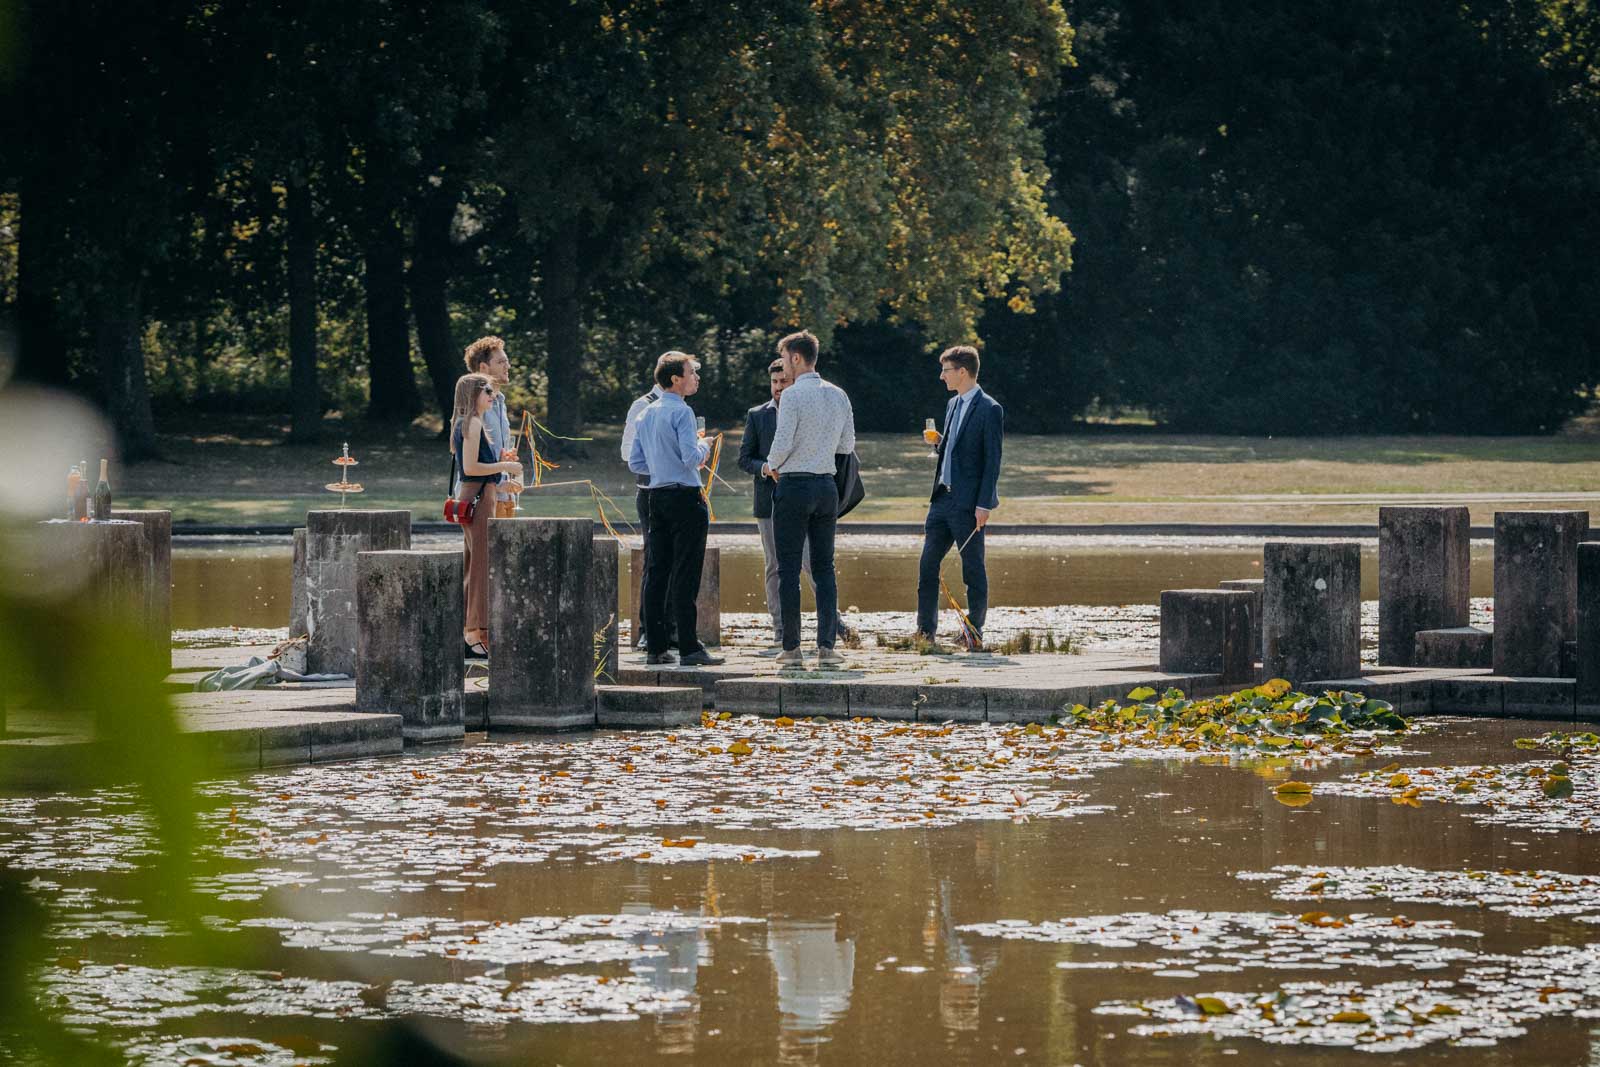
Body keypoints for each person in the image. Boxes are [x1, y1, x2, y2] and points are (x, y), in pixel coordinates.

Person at [739, 357, 851, 656]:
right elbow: (745, 459)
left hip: (796, 489)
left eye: (783, 379)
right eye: (774, 381)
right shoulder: (758, 414)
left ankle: (812, 636)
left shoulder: (800, 400)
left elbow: (788, 444)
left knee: (805, 566)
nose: (779, 386)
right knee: (786, 566)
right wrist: (767, 468)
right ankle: (791, 633)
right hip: (786, 496)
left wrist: (779, 463)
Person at [765, 330, 855, 668]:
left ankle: (791, 648)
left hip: (794, 486)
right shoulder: (838, 394)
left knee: (788, 568)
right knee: (824, 567)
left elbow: (783, 442)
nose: (783, 366)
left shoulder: (792, 396)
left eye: (784, 359)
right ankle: (827, 647)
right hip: (826, 487)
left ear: (796, 358)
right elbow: (847, 444)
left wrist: (770, 466)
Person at [628, 352, 724, 666]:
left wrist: (660, 466)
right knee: (686, 572)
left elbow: (635, 462)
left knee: (657, 571)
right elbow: (690, 458)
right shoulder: (682, 411)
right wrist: (704, 445)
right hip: (685, 496)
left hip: (655, 496)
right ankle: (689, 647)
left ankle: (655, 647)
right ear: (675, 379)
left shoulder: (646, 413)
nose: (696, 378)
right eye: (691, 373)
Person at [916, 345, 1003, 649]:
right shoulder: (952, 404)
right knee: (927, 566)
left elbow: (992, 461)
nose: (942, 376)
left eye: (946, 370)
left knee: (972, 569)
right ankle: (925, 633)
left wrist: (984, 504)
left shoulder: (990, 409)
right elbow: (954, 450)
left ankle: (973, 632)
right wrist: (939, 442)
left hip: (968, 505)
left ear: (962, 372)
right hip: (941, 500)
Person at [450, 373, 523, 658]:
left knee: (476, 563)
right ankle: (477, 633)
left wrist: (500, 482)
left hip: (481, 494)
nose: (493, 396)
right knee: (481, 565)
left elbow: (477, 470)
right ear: (473, 395)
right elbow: (470, 468)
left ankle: (472, 631)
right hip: (478, 499)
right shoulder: (472, 422)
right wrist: (505, 466)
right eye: (487, 391)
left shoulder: (469, 422)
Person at [621, 354, 672, 649]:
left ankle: (672, 628)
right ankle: (647, 630)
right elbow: (627, 452)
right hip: (651, 492)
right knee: (654, 558)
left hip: (678, 492)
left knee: (678, 560)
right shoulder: (643, 405)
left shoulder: (680, 407)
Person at [464, 336, 517, 519]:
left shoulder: (500, 402)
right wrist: (503, 466)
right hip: (483, 498)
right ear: (483, 367)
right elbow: (468, 463)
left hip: (504, 496)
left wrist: (505, 460)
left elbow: (489, 453)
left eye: (507, 361)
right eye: (501, 362)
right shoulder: (475, 405)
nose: (508, 366)